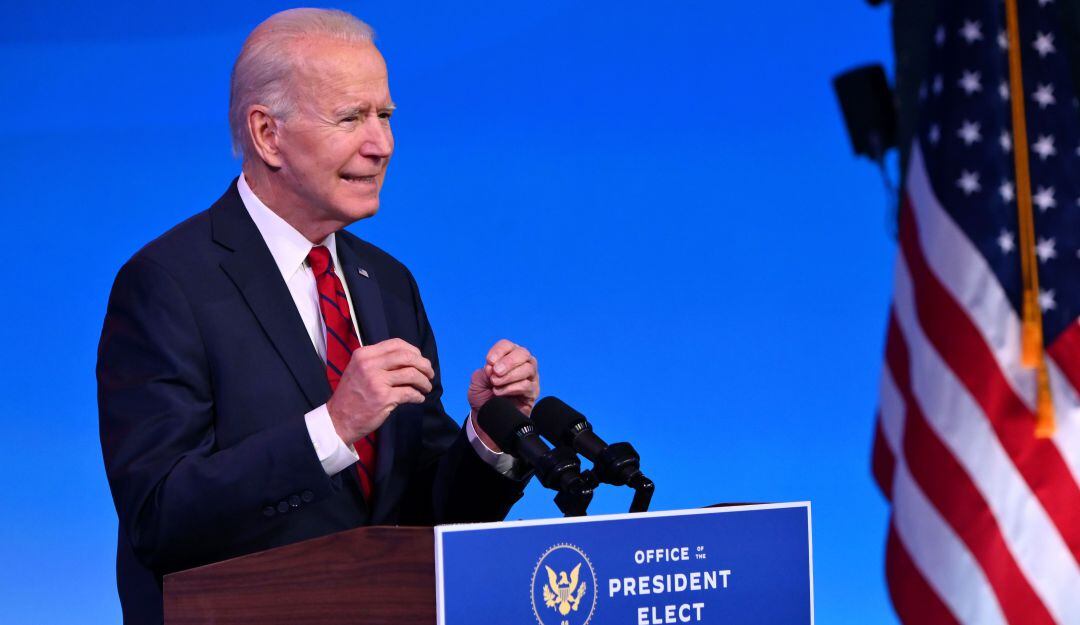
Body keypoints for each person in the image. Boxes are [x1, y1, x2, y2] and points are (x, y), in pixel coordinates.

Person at [96, 9, 538, 623]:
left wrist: (487, 435)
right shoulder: (167, 284)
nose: (381, 144)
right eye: (351, 117)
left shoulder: (387, 282)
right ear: (267, 134)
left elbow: (423, 514)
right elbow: (159, 517)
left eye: (385, 115)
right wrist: (331, 427)